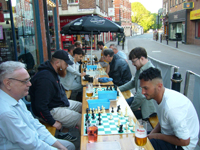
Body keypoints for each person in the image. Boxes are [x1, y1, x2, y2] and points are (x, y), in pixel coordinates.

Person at [0, 61, 75, 150]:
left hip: (34, 139)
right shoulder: (6, 112)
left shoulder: (16, 99)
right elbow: (31, 144)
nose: (30, 84)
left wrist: (59, 146)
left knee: (69, 146)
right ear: (8, 84)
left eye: (29, 79)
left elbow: (35, 124)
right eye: (25, 81)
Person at [139, 67, 200, 150]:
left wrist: (156, 136)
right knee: (138, 136)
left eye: (146, 88)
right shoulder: (158, 95)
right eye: (141, 88)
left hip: (183, 146)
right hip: (170, 135)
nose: (143, 92)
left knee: (142, 147)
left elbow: (185, 141)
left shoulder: (171, 108)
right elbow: (163, 120)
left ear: (159, 86)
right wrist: (152, 134)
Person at [29, 50, 82, 141]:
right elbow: (40, 106)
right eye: (66, 63)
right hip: (51, 110)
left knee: (83, 106)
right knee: (82, 119)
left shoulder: (52, 71)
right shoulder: (45, 79)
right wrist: (52, 122)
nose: (67, 66)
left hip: (58, 103)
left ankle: (63, 133)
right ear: (57, 63)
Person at [119, 47, 156, 120]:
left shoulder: (150, 71)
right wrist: (118, 89)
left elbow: (141, 96)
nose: (132, 64)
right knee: (121, 104)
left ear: (142, 58)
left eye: (134, 61)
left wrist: (132, 108)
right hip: (140, 101)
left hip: (147, 108)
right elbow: (133, 83)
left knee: (122, 114)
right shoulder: (141, 68)